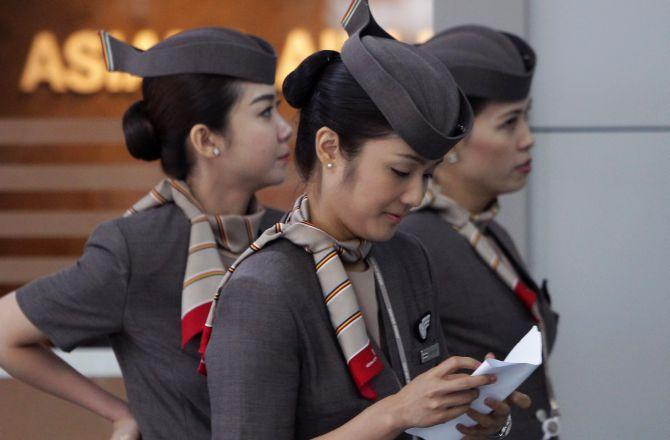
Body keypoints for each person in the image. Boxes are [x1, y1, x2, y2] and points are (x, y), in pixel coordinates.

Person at [203, 3, 527, 439]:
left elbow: (427, 421)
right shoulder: (263, 288)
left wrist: (478, 419)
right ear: (330, 148)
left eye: (427, 175)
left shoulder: (405, 257)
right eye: (399, 171)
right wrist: (392, 414)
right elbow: (401, 414)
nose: (416, 195)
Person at [0, 27, 292, 439]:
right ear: (207, 140)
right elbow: (4, 333)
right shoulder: (137, 248)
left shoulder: (288, 235)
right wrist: (120, 413)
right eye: (265, 112)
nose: (286, 129)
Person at [400, 24, 561, 439]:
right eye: (509, 123)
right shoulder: (415, 242)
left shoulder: (483, 230)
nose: (528, 140)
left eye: (526, 117)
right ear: (451, 141)